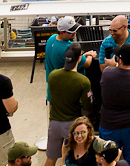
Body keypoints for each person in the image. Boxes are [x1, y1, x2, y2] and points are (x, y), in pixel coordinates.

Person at [47, 38, 96, 166]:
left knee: (51, 159)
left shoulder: (52, 75)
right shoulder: (83, 81)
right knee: (76, 160)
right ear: (79, 59)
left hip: (54, 123)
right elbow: (87, 105)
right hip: (72, 126)